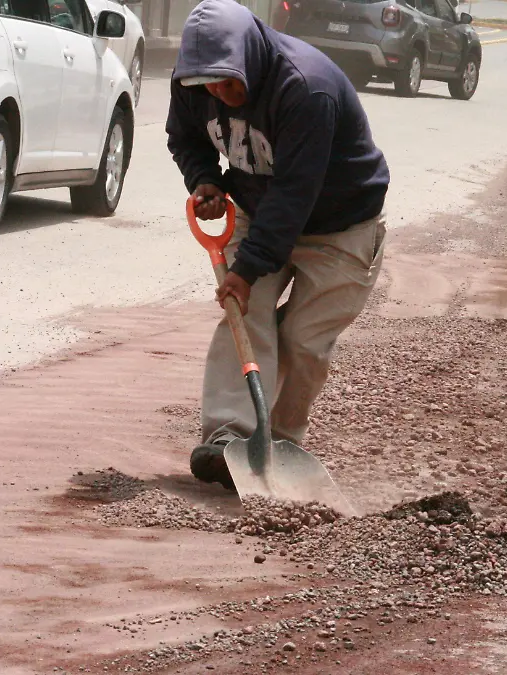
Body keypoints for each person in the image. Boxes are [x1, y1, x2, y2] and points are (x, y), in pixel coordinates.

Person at [166, 0, 390, 489]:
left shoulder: (305, 87)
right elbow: (185, 139)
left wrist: (245, 271)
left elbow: (295, 194)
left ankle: (282, 444)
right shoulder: (193, 83)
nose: (220, 96)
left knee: (304, 341)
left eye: (230, 83)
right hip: (258, 207)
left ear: (250, 54)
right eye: (210, 86)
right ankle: (231, 439)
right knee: (244, 314)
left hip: (340, 225)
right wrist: (204, 178)